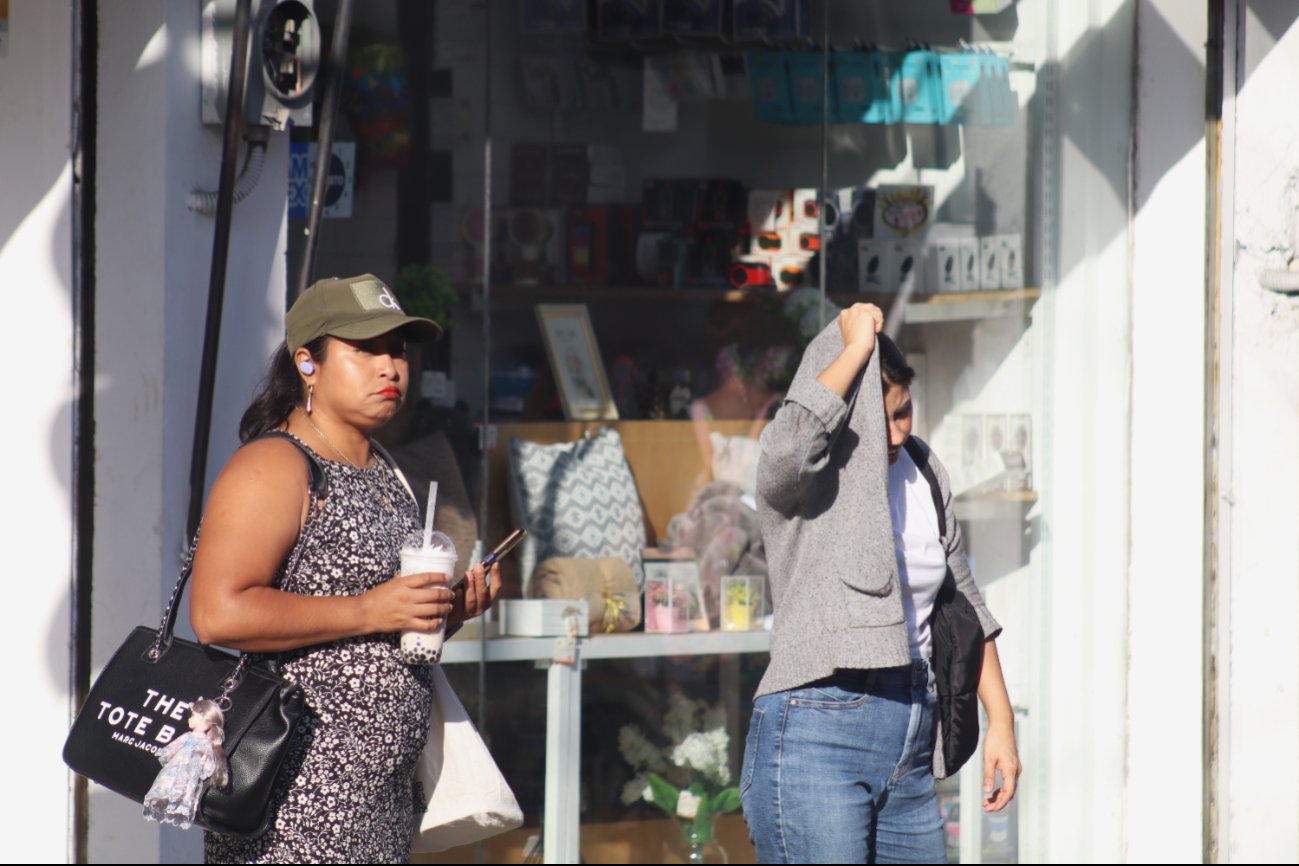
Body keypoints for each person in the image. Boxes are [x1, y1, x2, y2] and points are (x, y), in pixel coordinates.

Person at [188, 273, 500, 863]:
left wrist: (443, 612)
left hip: (377, 804)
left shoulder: (384, 468)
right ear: (308, 363)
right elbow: (216, 613)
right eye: (367, 349)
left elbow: (375, 630)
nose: (390, 368)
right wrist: (371, 608)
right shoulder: (276, 466)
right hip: (296, 804)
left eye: (398, 351)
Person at [741, 303, 1020, 864]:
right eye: (881, 418)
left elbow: (962, 601)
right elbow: (782, 452)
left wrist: (1002, 723)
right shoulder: (811, 476)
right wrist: (852, 352)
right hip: (817, 732)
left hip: (912, 741)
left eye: (905, 413)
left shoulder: (922, 467)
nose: (896, 433)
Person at [142, 698, 229, 830]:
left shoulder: (204, 742)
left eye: (193, 716)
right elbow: (175, 747)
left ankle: (178, 802)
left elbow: (207, 759)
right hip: (177, 764)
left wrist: (203, 761)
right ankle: (164, 798)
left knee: (185, 786)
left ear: (203, 720)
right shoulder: (189, 736)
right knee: (168, 781)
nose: (189, 719)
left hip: (189, 768)